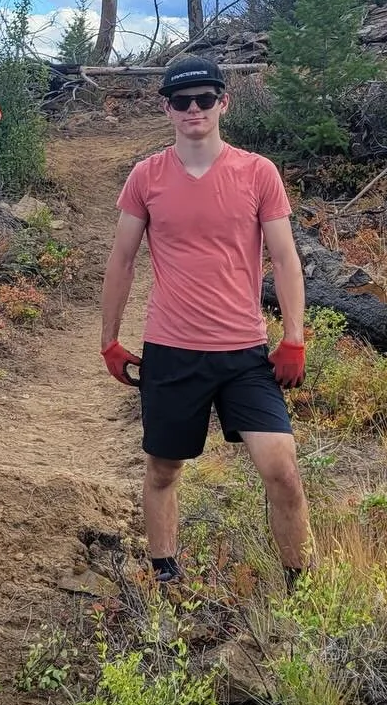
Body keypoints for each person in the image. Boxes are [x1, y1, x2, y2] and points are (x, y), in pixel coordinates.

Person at [99, 54, 311, 585]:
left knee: (282, 470)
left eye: (205, 99)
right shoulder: (146, 177)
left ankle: (298, 585)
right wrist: (109, 340)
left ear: (224, 103)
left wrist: (294, 338)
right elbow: (122, 258)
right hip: (171, 350)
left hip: (244, 354)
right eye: (181, 101)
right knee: (163, 470)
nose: (194, 109)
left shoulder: (258, 172)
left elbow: (285, 258)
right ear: (166, 108)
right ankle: (166, 576)